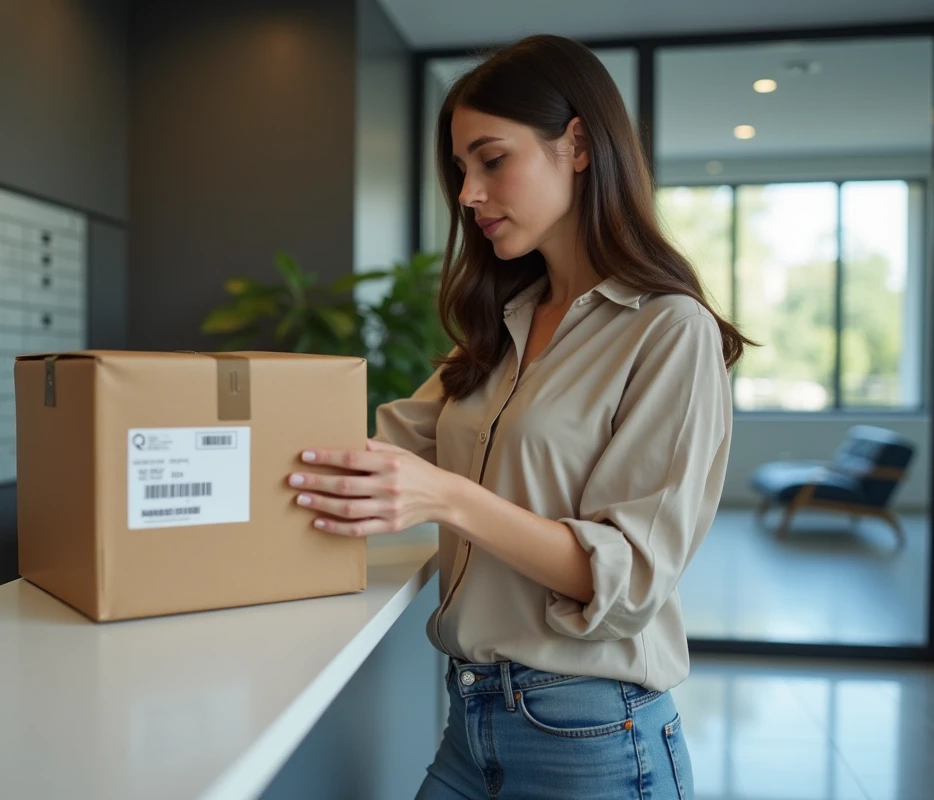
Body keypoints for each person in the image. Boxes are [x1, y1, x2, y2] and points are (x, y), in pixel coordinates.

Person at [286, 34, 751, 799]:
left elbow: (629, 580)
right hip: (470, 723)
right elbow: (372, 451)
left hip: (595, 738)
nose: (468, 193)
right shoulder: (502, 325)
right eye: (463, 169)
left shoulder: (668, 330)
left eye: (491, 159)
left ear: (575, 145)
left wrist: (444, 496)